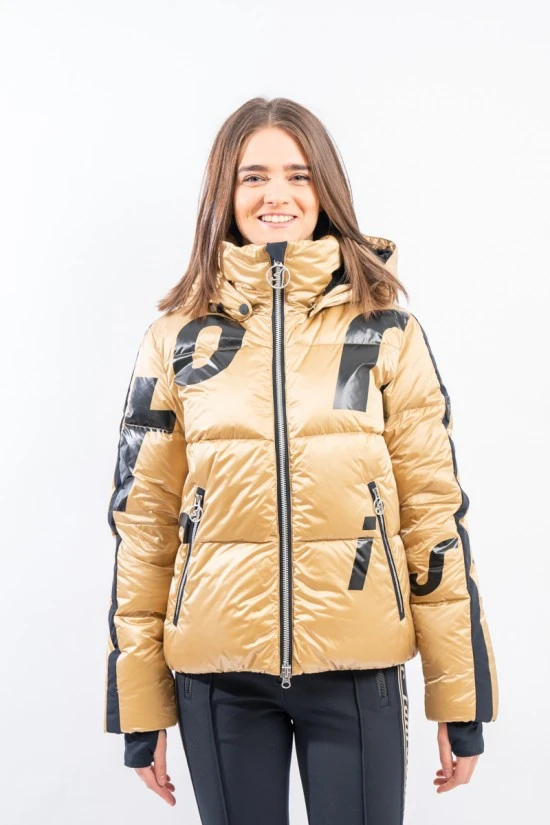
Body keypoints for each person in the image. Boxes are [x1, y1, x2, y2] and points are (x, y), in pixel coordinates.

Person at [104, 97, 499, 823]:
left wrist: (460, 695)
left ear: (326, 190)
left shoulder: (387, 331)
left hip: (358, 663)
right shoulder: (175, 339)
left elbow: (433, 514)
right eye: (253, 176)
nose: (276, 195)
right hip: (217, 672)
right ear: (224, 194)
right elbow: (144, 524)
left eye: (298, 174)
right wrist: (139, 705)